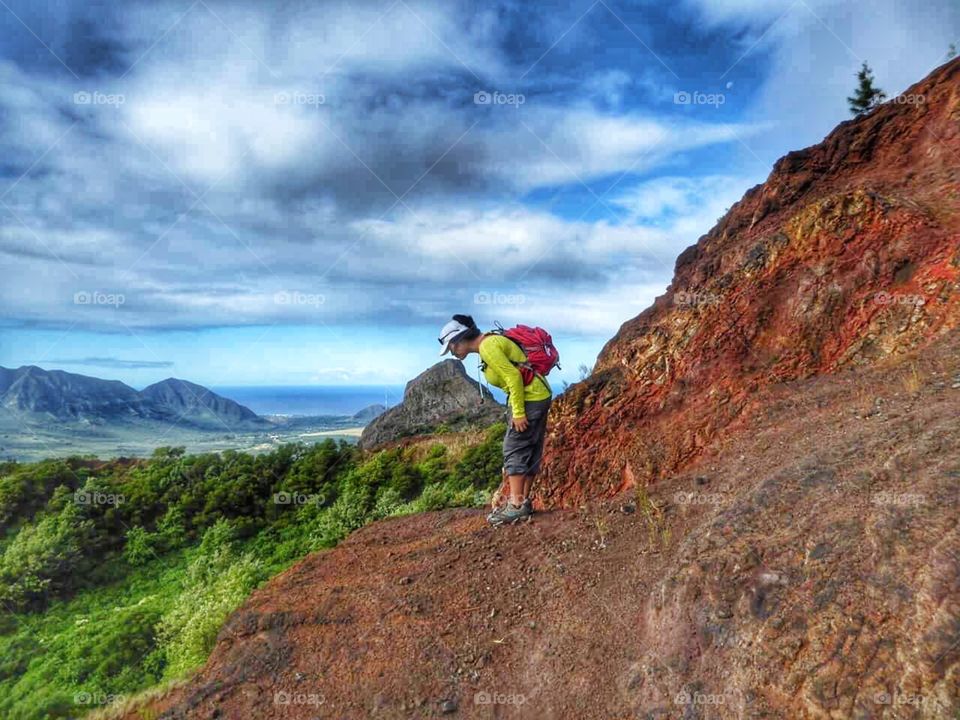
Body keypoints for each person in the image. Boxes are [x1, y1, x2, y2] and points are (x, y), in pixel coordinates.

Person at [438, 314, 553, 525]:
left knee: (514, 449)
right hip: (539, 395)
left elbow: (513, 377)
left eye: (452, 347)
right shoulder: (490, 341)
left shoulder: (488, 347)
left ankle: (516, 506)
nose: (452, 352)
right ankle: (523, 502)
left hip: (529, 400)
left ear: (460, 339)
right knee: (529, 449)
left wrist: (518, 412)